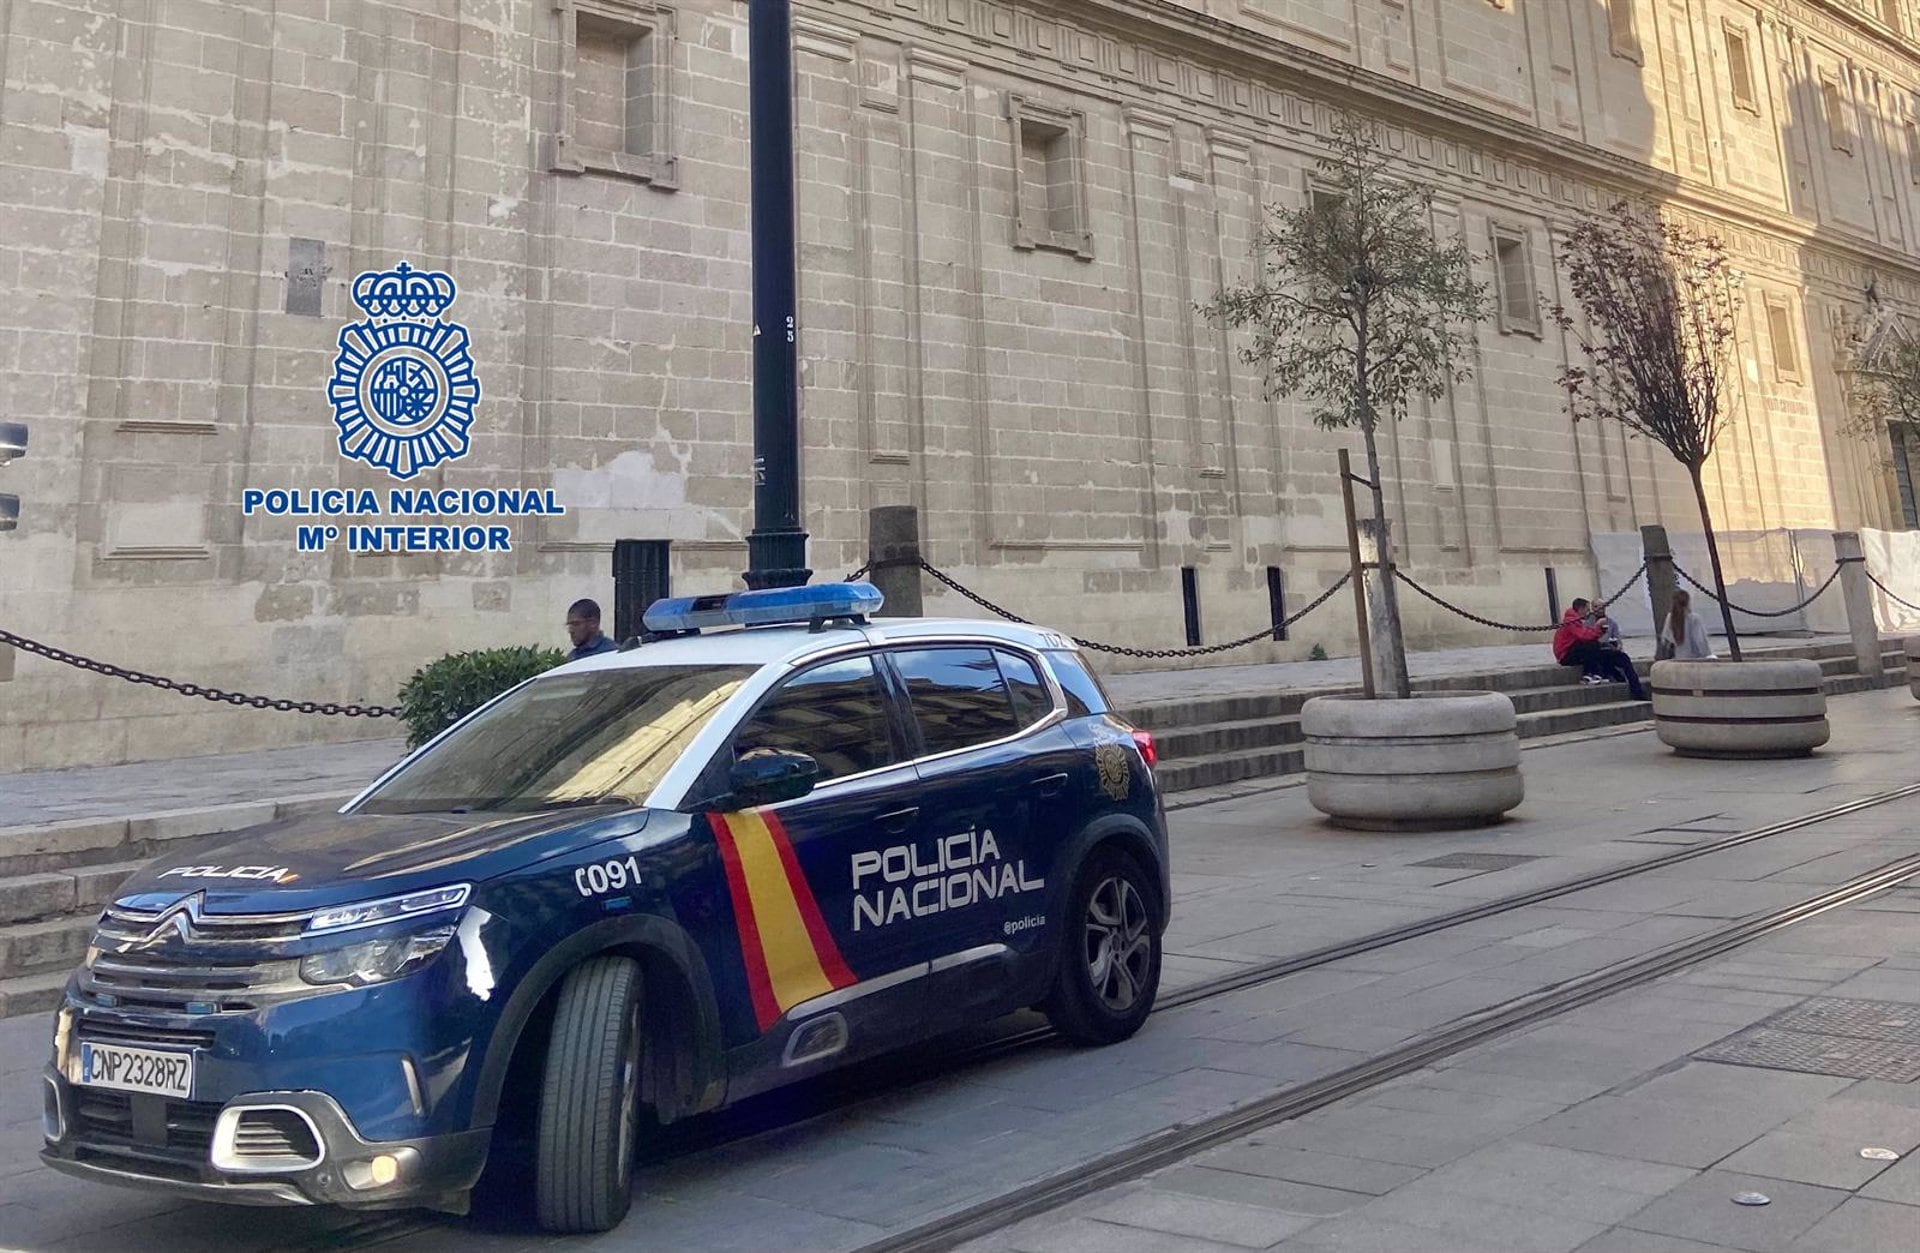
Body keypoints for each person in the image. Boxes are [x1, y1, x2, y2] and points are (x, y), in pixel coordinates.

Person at [1553, 597, 1648, 700]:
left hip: (1595, 650)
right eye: (1590, 608)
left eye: (1603, 607)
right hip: (1575, 653)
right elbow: (1584, 637)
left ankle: (1637, 691)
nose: (1591, 611)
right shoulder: (1576, 621)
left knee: (1622, 657)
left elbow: (1615, 639)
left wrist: (1615, 645)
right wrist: (1598, 628)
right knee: (1595, 647)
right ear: (1582, 609)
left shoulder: (1610, 622)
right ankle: (1592, 674)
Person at [1657, 589, 1715, 661]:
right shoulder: (1694, 618)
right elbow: (1700, 642)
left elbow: (1665, 639)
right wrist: (1708, 655)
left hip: (1676, 660)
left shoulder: (1670, 617)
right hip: (1694, 659)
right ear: (1688, 602)